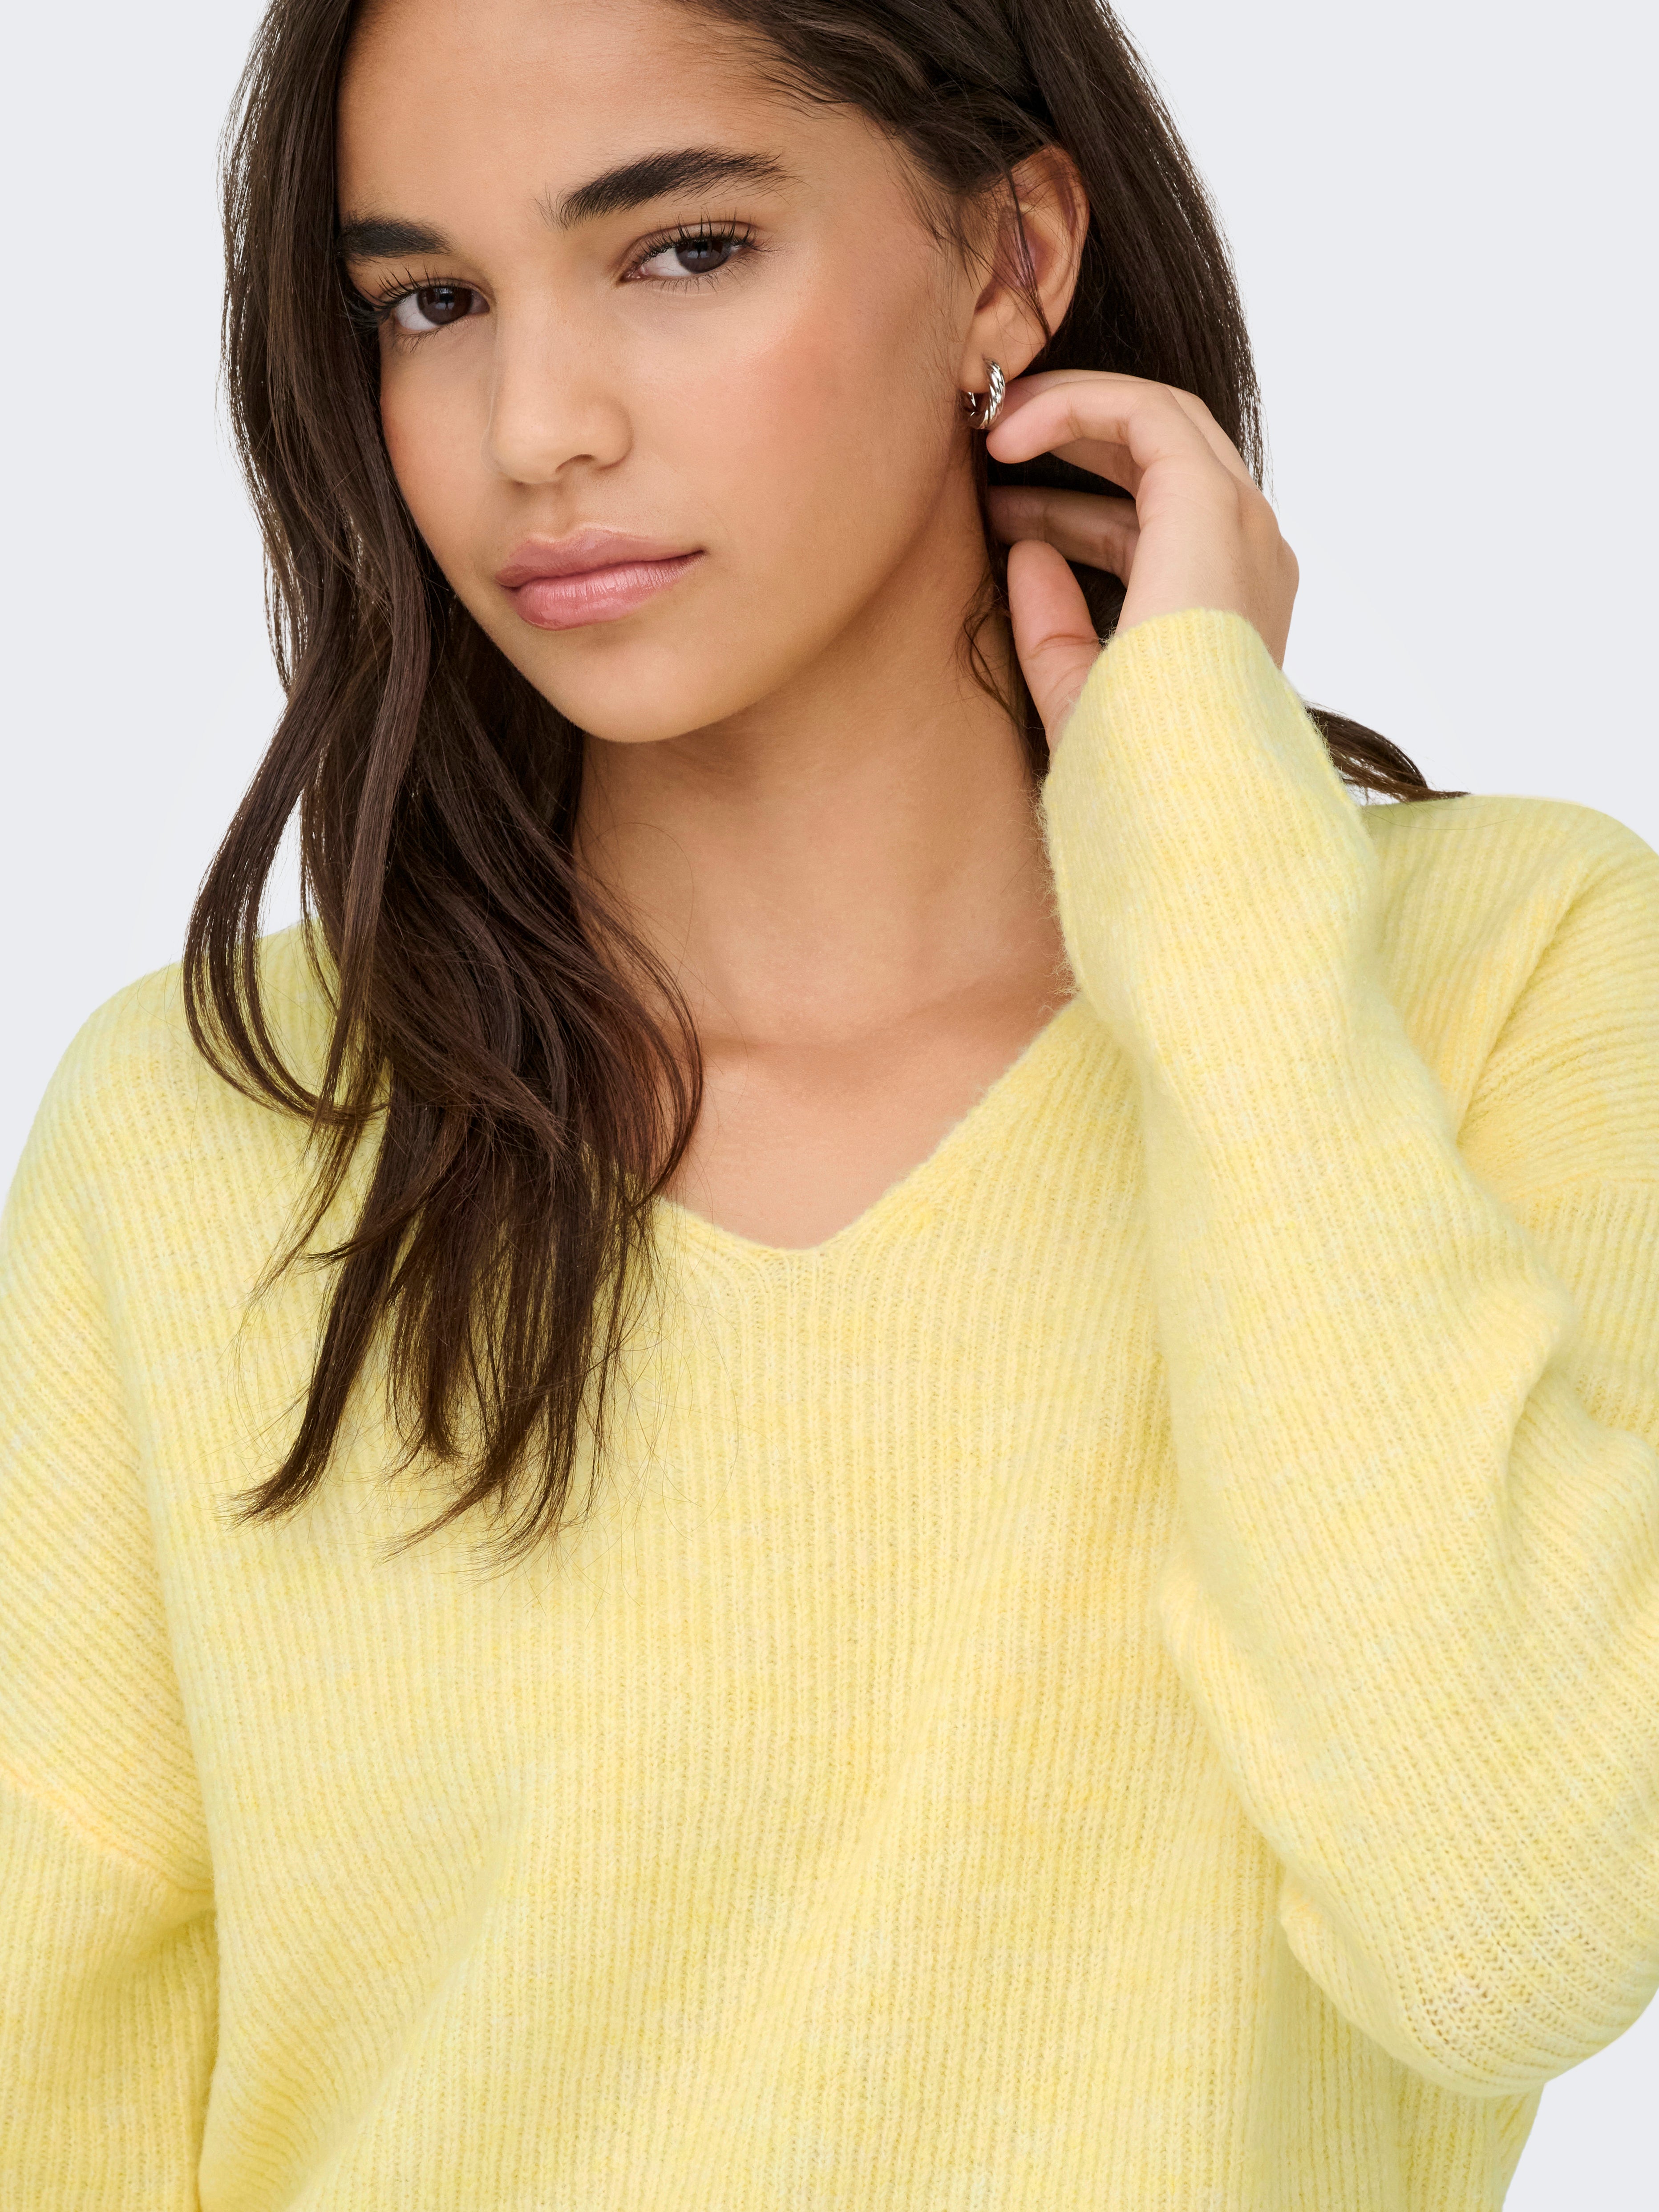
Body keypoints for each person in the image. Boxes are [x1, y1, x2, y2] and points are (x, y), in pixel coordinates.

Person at [2, 0, 1655, 2204]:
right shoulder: (211, 1127)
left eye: (682, 250)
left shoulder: (1493, 982)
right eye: (430, 302)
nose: (535, 429)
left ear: (1006, 261)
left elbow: (1505, 1933)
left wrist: (1216, 887)